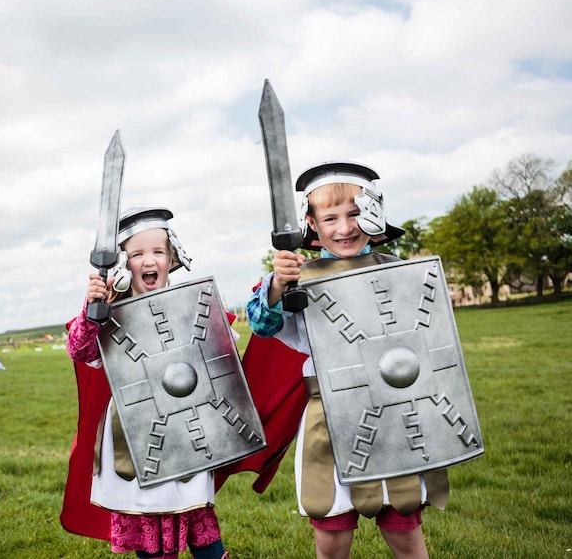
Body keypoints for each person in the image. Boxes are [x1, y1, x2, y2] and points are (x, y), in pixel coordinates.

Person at [246, 162, 448, 559]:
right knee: (333, 536)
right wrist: (277, 284)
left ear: (374, 213)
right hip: (330, 419)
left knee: (404, 528)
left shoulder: (396, 271)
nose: (344, 228)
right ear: (312, 224)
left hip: (396, 413)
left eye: (354, 214)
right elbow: (262, 324)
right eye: (331, 218)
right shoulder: (298, 279)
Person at [61, 207, 229, 559]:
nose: (149, 260)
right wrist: (92, 307)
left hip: (187, 429)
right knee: (149, 521)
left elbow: (220, 363)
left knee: (201, 525)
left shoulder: (191, 301)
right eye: (137, 254)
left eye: (158, 251)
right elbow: (81, 351)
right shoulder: (109, 311)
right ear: (124, 264)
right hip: (136, 436)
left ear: (172, 257)